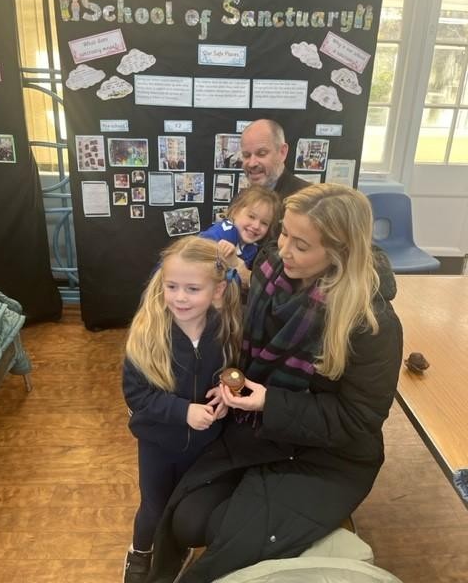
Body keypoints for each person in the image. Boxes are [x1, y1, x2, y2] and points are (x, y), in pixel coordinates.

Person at [147, 183, 403, 583]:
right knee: (186, 520)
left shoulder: (372, 324)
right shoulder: (270, 272)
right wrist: (230, 376)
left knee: (228, 539)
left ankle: (308, 548)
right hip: (261, 431)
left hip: (327, 457)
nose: (283, 249)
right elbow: (249, 350)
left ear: (340, 252)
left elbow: (359, 419)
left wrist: (270, 402)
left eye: (301, 245)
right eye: (283, 232)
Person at [122, 236, 242, 583]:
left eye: (192, 289)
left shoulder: (225, 328)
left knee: (183, 503)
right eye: (172, 286)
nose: (179, 297)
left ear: (217, 291)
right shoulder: (147, 333)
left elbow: (235, 369)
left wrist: (227, 392)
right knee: (153, 506)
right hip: (157, 444)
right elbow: (136, 394)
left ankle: (176, 548)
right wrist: (183, 411)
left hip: (205, 444)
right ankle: (141, 551)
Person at [199, 185, 281, 287]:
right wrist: (215, 251)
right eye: (251, 216)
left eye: (264, 223)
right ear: (234, 211)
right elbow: (195, 251)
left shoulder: (253, 249)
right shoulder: (223, 232)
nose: (256, 226)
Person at [240, 119, 310, 200]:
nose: (252, 163)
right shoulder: (239, 199)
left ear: (282, 152)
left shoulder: (308, 200)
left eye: (261, 153)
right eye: (246, 155)